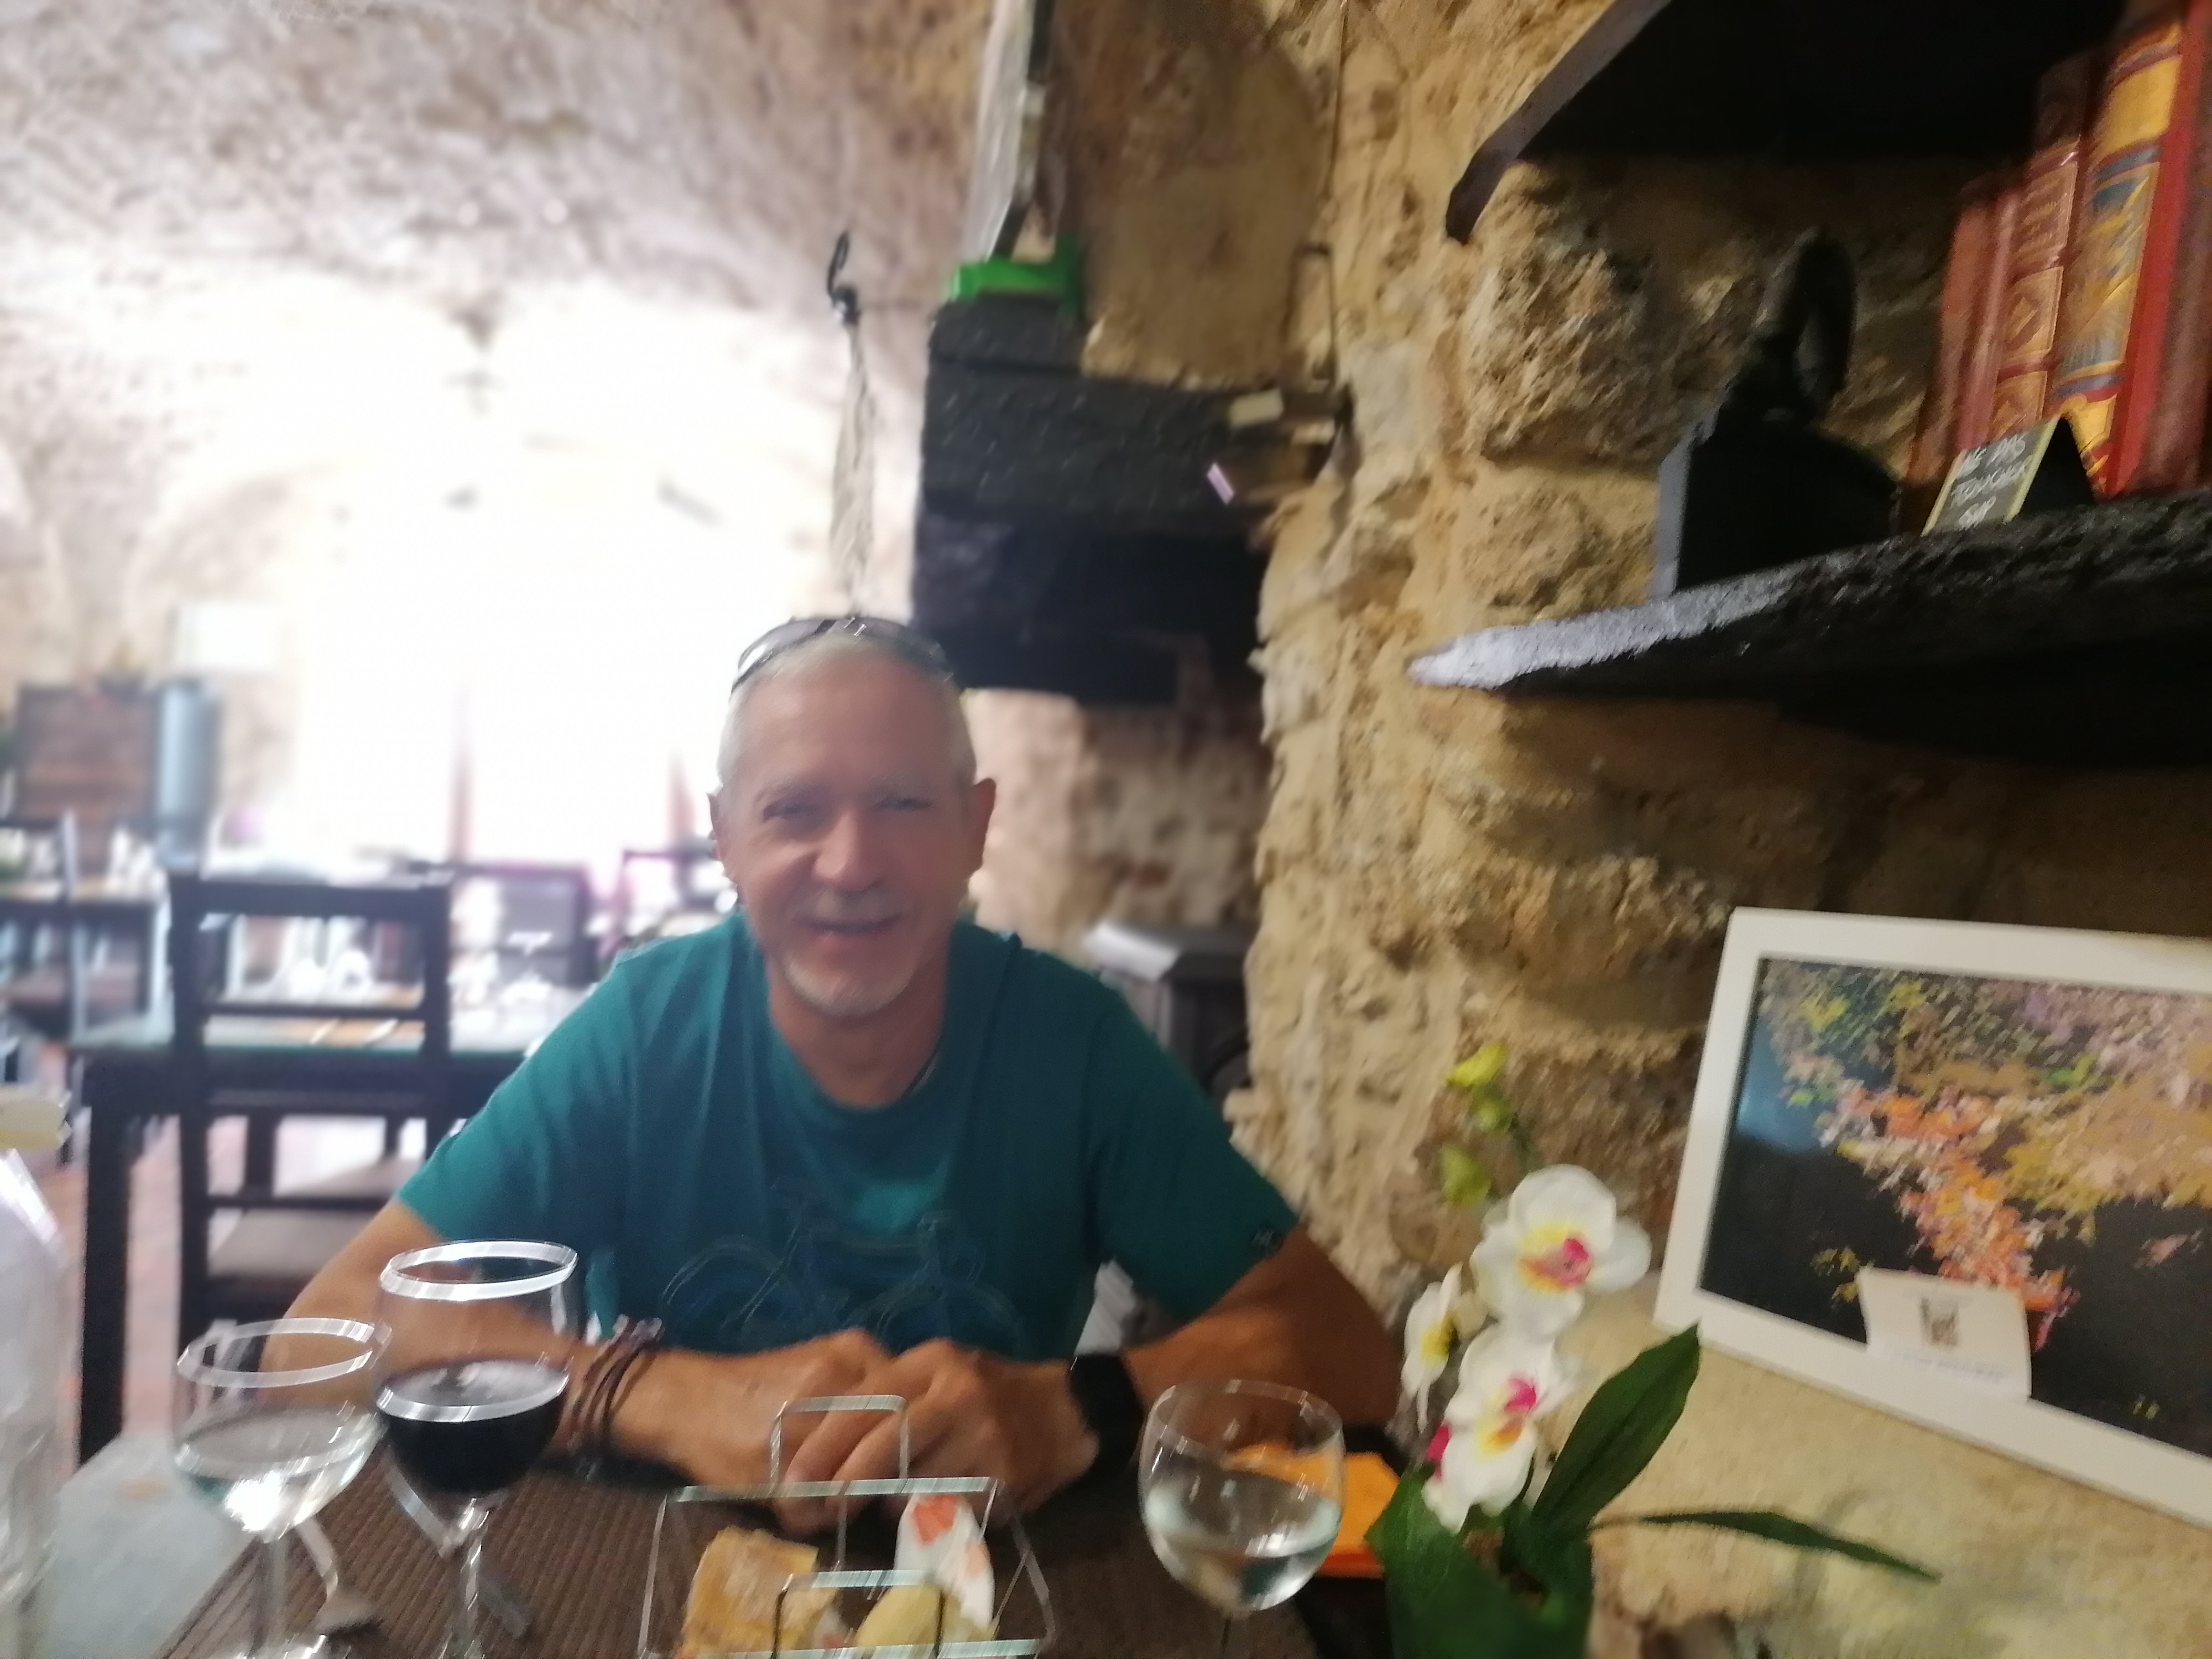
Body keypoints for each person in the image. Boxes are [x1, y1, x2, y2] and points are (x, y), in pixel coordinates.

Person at [290, 616, 1397, 1521]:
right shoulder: (642, 1032)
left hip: (990, 1599)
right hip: (660, 1580)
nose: (851, 863)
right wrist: (657, 1398)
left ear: (974, 828)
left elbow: (1349, 1351)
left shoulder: (1076, 1045)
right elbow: (330, 1327)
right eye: (794, 811)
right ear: (726, 841)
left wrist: (1081, 1406)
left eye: (903, 804)